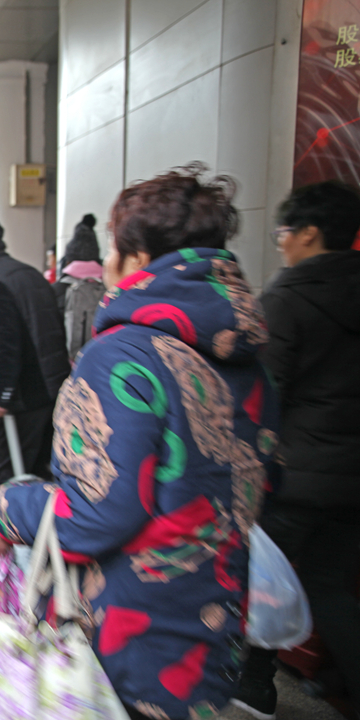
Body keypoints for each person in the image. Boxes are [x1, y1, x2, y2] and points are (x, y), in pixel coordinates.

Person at [0, 164, 281, 720]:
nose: (108, 263)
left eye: (116, 248)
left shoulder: (124, 354)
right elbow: (262, 480)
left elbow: (98, 511)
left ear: (138, 258)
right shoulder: (246, 357)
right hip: (215, 622)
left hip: (128, 636)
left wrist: (7, 509)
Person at [232, 180, 360, 720]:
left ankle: (256, 687)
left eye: (285, 231)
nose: (281, 242)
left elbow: (266, 394)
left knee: (263, 579)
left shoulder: (287, 298)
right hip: (352, 476)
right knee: (332, 590)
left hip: (295, 475)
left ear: (310, 232)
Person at [0, 215, 68, 481]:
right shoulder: (28, 273)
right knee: (44, 473)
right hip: (52, 388)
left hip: (24, 395)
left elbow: (4, 345)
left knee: (10, 476)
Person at [54, 213, 106, 360]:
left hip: (66, 366)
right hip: (99, 362)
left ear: (68, 260)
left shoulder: (56, 290)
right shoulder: (111, 290)